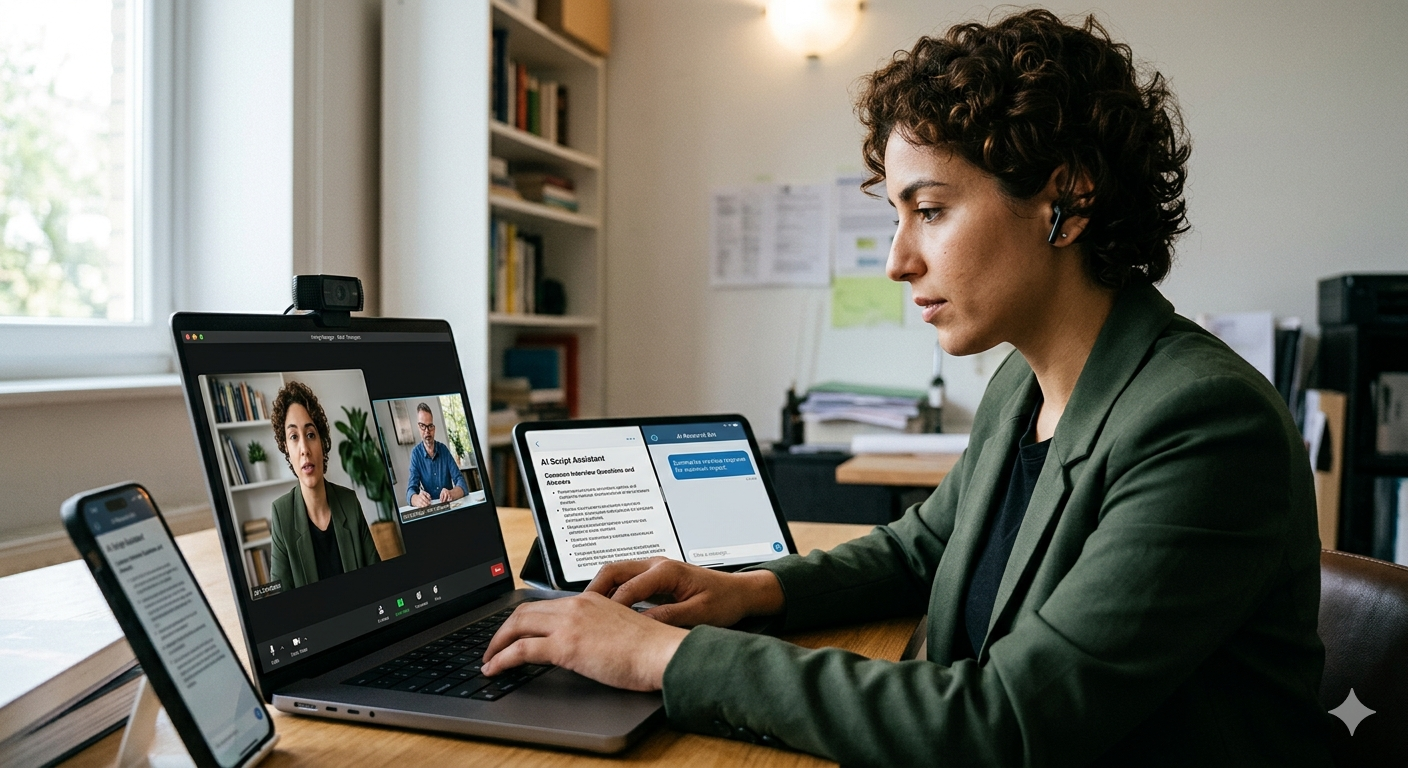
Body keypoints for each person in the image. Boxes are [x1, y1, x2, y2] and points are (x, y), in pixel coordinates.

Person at [480, 10, 1331, 765]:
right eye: (896, 215)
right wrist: (751, 590)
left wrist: (660, 657)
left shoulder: (1203, 424)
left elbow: (1008, 724)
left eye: (929, 210)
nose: (897, 260)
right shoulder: (1022, 386)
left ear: (1065, 198)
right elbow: (924, 546)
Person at [268, 380, 381, 589]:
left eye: (311, 435)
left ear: (322, 442)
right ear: (286, 449)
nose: (304, 449)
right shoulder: (281, 514)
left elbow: (377, 580)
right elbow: (281, 604)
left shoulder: (349, 502)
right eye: (294, 437)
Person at [406, 402, 468, 508]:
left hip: (450, 506)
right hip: (430, 509)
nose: (427, 431)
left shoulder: (443, 449)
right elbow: (410, 490)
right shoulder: (415, 454)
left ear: (434, 428)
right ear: (418, 427)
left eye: (430, 426)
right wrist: (416, 499)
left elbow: (461, 482)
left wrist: (451, 493)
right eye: (423, 426)